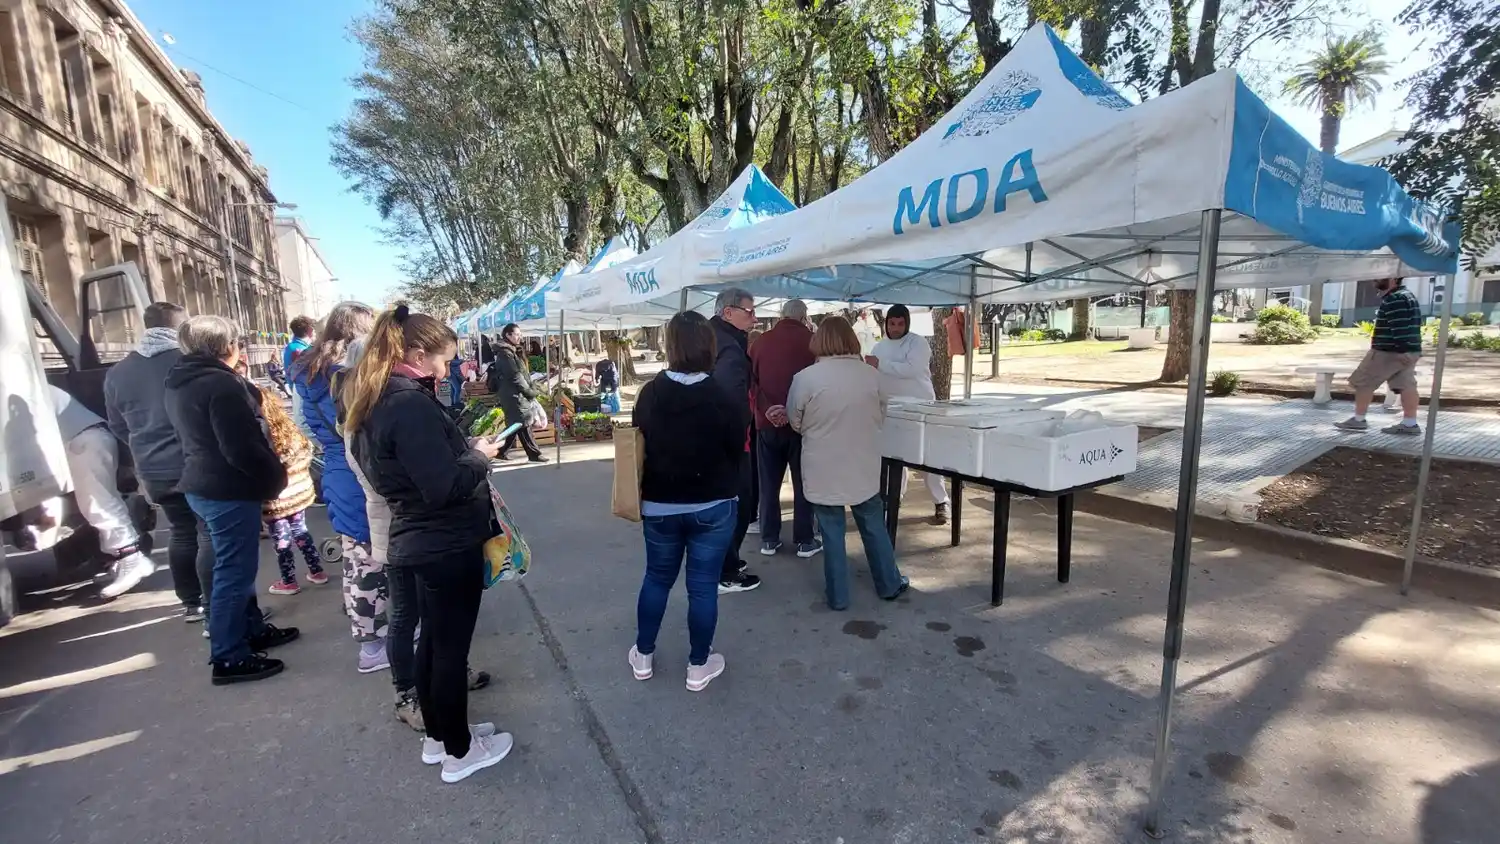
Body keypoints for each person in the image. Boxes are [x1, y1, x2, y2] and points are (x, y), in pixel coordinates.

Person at [347, 305, 512, 784]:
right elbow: (442, 486)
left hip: (419, 537)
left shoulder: (379, 397)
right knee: (447, 651)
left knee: (434, 645)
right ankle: (460, 751)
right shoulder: (408, 404)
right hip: (442, 541)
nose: (449, 369)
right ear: (418, 355)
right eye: (444, 360)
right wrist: (478, 457)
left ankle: (441, 735)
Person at [164, 315, 299, 685]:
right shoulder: (220, 385)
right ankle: (228, 656)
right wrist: (275, 477)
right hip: (226, 488)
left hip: (206, 484)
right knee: (233, 574)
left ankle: (250, 630)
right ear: (228, 346)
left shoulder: (182, 380)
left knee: (235, 569)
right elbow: (240, 447)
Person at [629, 311, 743, 692]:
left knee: (657, 578)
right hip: (713, 504)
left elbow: (638, 441)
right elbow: (735, 449)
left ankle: (643, 654)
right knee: (703, 586)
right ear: (708, 346)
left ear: (670, 345)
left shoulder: (650, 394)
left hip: (660, 504)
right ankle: (698, 664)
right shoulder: (723, 396)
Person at [789, 317, 909, 610]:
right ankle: (889, 583)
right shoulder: (872, 375)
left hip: (823, 463)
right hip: (862, 460)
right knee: (873, 523)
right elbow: (881, 415)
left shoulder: (805, 378)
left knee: (831, 531)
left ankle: (839, 596)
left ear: (819, 341)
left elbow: (795, 420)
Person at [292, 302, 385, 673]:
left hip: (337, 470)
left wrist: (332, 448)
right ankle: (373, 647)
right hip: (365, 472)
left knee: (357, 558)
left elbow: (304, 423)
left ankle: (370, 637)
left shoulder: (307, 372)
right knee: (373, 560)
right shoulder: (353, 373)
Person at [104, 301, 210, 618]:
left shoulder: (117, 372)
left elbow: (118, 425)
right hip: (195, 461)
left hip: (153, 468)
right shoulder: (189, 361)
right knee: (208, 533)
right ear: (180, 328)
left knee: (180, 531)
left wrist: (145, 445)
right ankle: (215, 605)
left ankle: (191, 603)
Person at [49, 385, 155, 600]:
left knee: (97, 503)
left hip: (81, 441)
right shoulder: (24, 384)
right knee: (104, 500)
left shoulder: (17, 386)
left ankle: (130, 558)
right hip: (89, 437)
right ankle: (125, 557)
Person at [748, 299, 819, 559]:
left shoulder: (760, 343)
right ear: (804, 316)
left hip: (766, 424)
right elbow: (816, 384)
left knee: (769, 484)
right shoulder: (813, 342)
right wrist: (791, 412)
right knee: (802, 483)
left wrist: (768, 408)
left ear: (781, 315)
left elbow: (750, 381)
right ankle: (804, 540)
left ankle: (769, 539)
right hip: (802, 425)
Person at [869, 305, 951, 525]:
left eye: (900, 324)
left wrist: (880, 364)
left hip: (919, 407)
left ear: (907, 323)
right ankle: (894, 497)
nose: (895, 328)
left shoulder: (918, 343)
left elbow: (912, 369)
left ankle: (941, 501)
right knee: (895, 456)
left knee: (927, 456)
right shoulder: (878, 347)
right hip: (891, 409)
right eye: (892, 323)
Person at [708, 288, 763, 594]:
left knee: (732, 506)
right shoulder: (728, 346)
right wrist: (744, 426)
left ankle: (727, 560)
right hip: (730, 442)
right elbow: (732, 399)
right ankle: (725, 571)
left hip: (719, 440)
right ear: (728, 312)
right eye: (749, 312)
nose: (754, 318)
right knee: (738, 507)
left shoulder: (716, 338)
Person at [257, 385, 328, 596]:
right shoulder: (288, 428)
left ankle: (288, 581)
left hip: (276, 499)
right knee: (300, 531)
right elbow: (307, 451)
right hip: (297, 494)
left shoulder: (260, 434)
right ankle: (317, 571)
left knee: (281, 539)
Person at [1336, 278, 1424, 435]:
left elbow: (1400, 326)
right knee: (1406, 385)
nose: (1374, 280)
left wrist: (1403, 349)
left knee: (1363, 382)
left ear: (1393, 278)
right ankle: (1410, 423)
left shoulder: (1395, 299)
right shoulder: (1407, 295)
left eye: (1379, 276)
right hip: (1408, 351)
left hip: (1388, 352)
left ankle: (1358, 420)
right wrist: (1409, 350)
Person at [485, 323, 547, 463]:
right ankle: (534, 454)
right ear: (508, 335)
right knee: (523, 421)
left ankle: (499, 451)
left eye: (520, 334)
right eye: (517, 334)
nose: (519, 337)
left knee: (516, 424)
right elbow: (515, 375)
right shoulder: (505, 353)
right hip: (513, 394)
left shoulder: (510, 351)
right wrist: (529, 391)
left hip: (513, 393)